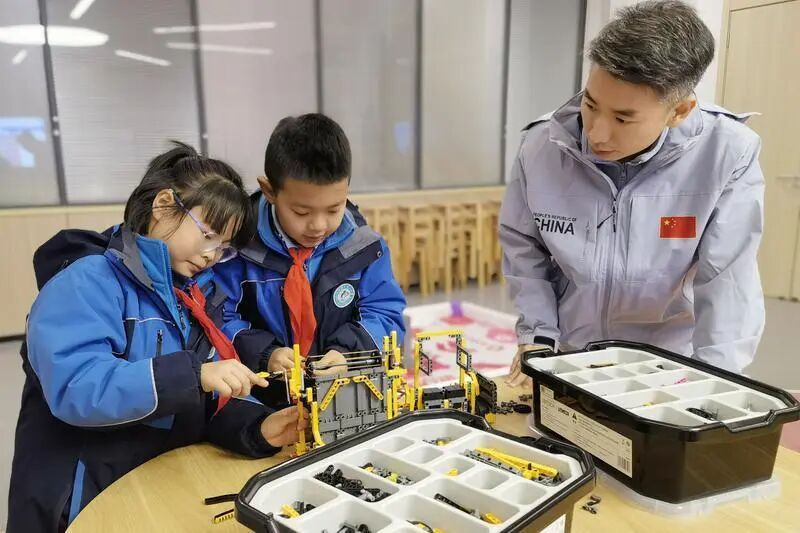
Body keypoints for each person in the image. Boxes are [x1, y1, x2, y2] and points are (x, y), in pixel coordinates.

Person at [7, 142, 305, 532]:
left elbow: (201, 402)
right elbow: (77, 387)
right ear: (164, 205)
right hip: (82, 497)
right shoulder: (86, 280)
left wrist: (259, 428)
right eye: (208, 235)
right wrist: (193, 374)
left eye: (223, 248)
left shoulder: (194, 296)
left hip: (154, 486)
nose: (212, 255)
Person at [502, 0, 764, 387]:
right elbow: (524, 248)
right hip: (572, 353)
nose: (596, 133)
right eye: (590, 105)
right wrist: (537, 335)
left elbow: (727, 279)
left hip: (666, 360)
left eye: (623, 118)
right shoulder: (543, 145)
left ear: (680, 111)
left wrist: (715, 379)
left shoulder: (726, 153)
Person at [214, 113, 406, 392]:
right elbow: (217, 317)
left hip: (341, 388)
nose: (318, 226)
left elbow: (385, 312)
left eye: (334, 209)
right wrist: (265, 353)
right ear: (269, 191)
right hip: (263, 393)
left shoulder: (364, 249)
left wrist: (348, 353)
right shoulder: (237, 249)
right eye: (301, 212)